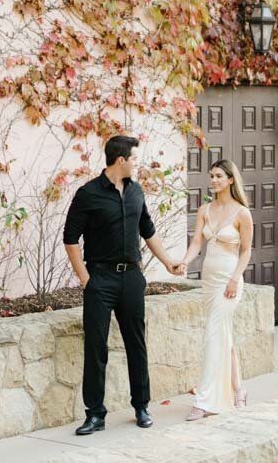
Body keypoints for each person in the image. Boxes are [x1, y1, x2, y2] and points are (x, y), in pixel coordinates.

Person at [62, 133, 184, 436]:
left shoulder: (136, 192)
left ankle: (141, 405)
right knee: (95, 346)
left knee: (136, 343)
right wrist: (85, 279)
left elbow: (148, 231)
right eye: (134, 159)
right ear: (121, 160)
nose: (136, 165)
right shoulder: (87, 193)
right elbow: (70, 238)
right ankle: (95, 415)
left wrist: (168, 261)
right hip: (99, 278)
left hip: (131, 277)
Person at [178, 157, 254, 419]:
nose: (214, 180)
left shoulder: (242, 213)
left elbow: (246, 251)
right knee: (224, 336)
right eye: (212, 176)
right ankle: (239, 390)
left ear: (231, 180)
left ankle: (204, 401)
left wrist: (235, 278)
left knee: (213, 334)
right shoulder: (205, 210)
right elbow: (197, 243)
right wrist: (185, 262)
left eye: (219, 176)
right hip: (209, 281)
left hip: (229, 281)